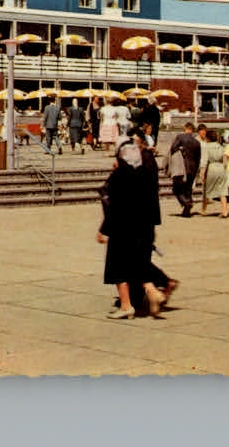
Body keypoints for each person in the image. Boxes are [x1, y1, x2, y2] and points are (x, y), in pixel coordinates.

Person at [96, 132, 177, 319]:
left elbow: (113, 207)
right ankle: (152, 291)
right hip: (143, 226)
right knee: (136, 263)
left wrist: (104, 231)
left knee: (118, 267)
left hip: (122, 228)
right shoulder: (145, 174)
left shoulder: (118, 177)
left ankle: (126, 305)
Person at [169, 122, 201, 217]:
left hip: (181, 167)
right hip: (192, 168)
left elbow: (173, 148)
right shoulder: (197, 142)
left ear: (185, 128)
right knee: (188, 189)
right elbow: (198, 158)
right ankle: (187, 209)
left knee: (176, 188)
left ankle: (185, 202)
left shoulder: (180, 137)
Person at [199, 129, 227, 216]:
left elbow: (204, 160)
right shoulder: (221, 147)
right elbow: (225, 160)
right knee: (223, 191)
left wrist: (202, 173)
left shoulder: (206, 147)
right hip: (221, 168)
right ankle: (225, 211)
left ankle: (204, 210)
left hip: (211, 168)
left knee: (207, 190)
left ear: (208, 138)